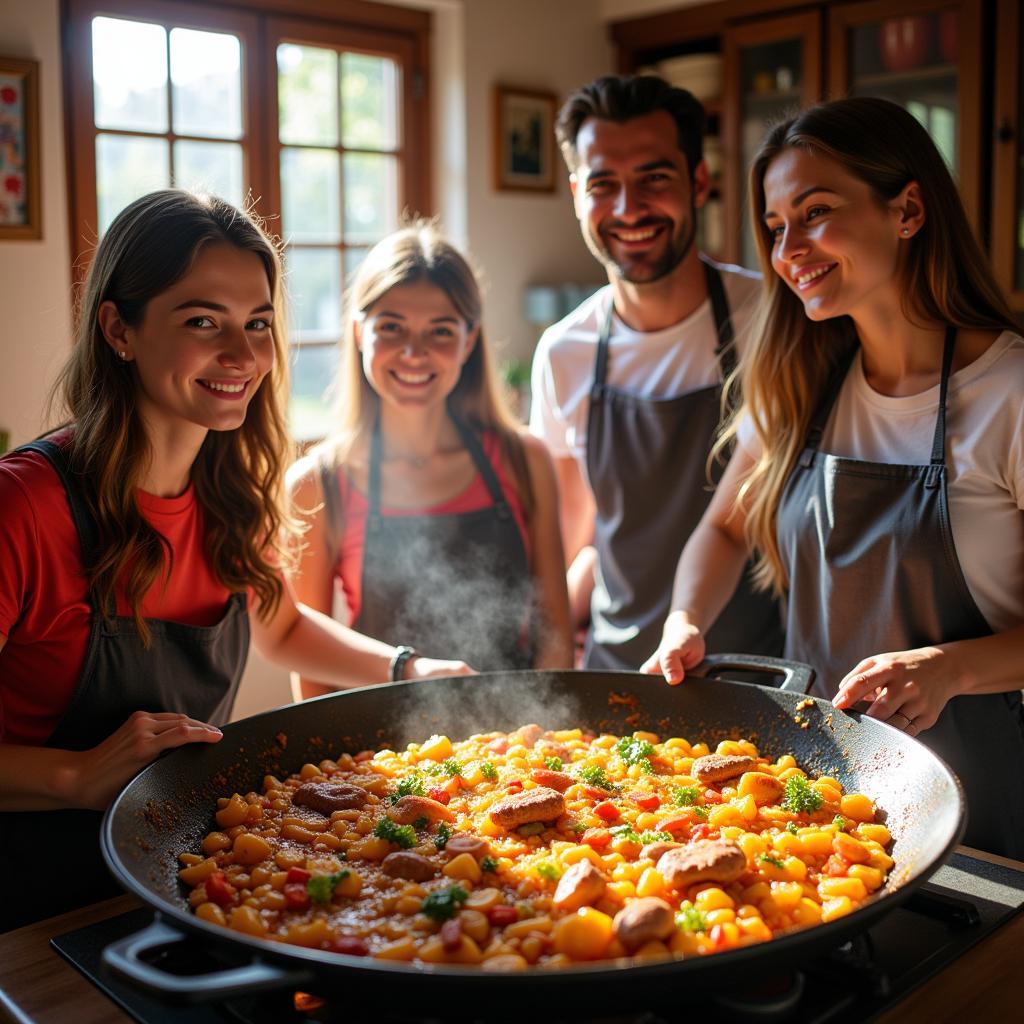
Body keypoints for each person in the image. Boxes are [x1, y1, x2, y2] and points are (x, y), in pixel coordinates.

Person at [0, 191, 469, 930]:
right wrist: (74, 775)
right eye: (202, 322)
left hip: (177, 880)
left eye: (257, 324)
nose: (244, 356)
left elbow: (279, 625)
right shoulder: (23, 506)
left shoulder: (226, 489)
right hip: (29, 908)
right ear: (118, 328)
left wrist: (410, 669)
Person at [644, 97, 1024, 859]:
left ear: (908, 209)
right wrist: (685, 620)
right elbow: (725, 525)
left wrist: (951, 667)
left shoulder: (1009, 393)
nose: (790, 250)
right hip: (824, 793)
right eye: (777, 227)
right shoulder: (803, 382)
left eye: (815, 212)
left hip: (987, 807)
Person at [529, 74, 783, 671]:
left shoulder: (772, 322)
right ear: (575, 194)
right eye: (603, 185)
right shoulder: (564, 351)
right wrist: (542, 673)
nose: (628, 207)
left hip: (759, 673)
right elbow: (574, 538)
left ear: (699, 181)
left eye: (653, 178)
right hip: (616, 669)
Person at [287, 222, 572, 698]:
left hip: (515, 747)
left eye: (440, 331)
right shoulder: (318, 484)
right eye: (391, 328)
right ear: (359, 333)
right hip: (378, 759)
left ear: (469, 339)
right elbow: (310, 668)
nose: (414, 353)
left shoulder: (525, 460)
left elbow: (555, 636)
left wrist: (531, 740)